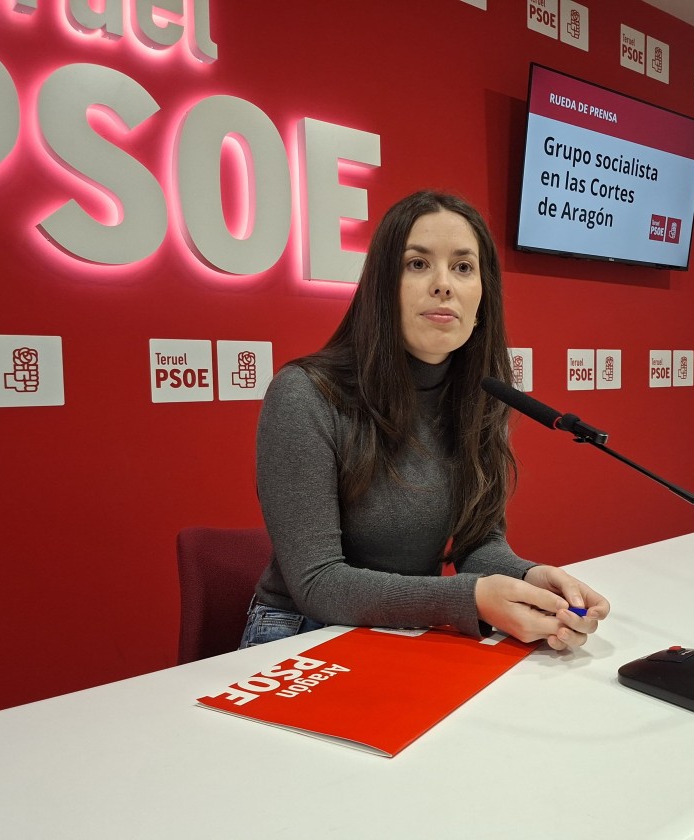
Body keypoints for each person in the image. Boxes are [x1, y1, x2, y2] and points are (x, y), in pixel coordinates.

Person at [241, 190, 609, 650]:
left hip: (406, 626)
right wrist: (470, 599)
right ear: (381, 287)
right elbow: (318, 583)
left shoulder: (480, 395)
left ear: (483, 298)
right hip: (299, 632)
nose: (444, 284)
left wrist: (531, 579)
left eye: (463, 267)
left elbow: (479, 544)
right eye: (418, 264)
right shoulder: (306, 394)